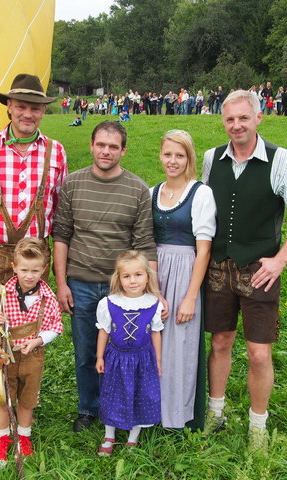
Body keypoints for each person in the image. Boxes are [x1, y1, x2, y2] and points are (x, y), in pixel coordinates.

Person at [201, 90, 287, 455]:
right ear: (223, 121)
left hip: (260, 270)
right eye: (230, 119)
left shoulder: (282, 161)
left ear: (258, 118)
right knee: (219, 343)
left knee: (259, 353)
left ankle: (257, 426)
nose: (236, 125)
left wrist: (280, 260)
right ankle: (215, 412)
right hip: (218, 268)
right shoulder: (210, 159)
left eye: (243, 118)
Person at [0, 73, 68, 430]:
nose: (28, 114)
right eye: (21, 106)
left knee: (27, 328)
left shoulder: (56, 151)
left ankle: (25, 393)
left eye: (35, 107)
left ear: (42, 112)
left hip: (35, 258)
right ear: (9, 108)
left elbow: (62, 208)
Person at [52, 120, 164, 433]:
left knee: (127, 352)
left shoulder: (137, 189)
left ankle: (123, 407)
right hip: (82, 284)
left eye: (113, 146)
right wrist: (61, 283)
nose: (106, 151)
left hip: (124, 290)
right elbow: (61, 234)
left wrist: (153, 291)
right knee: (88, 351)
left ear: (123, 151)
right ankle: (89, 408)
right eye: (101, 144)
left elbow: (144, 243)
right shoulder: (73, 184)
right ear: (91, 145)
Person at [0, 238, 63, 469]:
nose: (29, 275)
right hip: (5, 357)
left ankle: (23, 438)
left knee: (27, 400)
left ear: (44, 269)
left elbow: (56, 326)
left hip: (32, 356)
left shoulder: (48, 298)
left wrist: (37, 340)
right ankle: (2, 440)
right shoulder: (2, 294)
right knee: (4, 400)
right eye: (24, 270)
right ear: (15, 268)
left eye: (35, 270)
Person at [151, 130, 216, 430]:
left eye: (180, 155)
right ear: (161, 155)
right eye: (168, 154)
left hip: (185, 270)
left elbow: (203, 251)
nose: (173, 161)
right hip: (155, 273)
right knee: (153, 341)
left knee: (181, 342)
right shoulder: (153, 192)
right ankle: (151, 410)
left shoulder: (200, 193)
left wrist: (191, 296)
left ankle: (178, 414)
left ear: (189, 158)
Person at [95, 250, 164, 455]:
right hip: (116, 358)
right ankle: (109, 436)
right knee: (111, 394)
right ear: (119, 278)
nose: (133, 281)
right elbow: (104, 331)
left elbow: (156, 333)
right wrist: (100, 357)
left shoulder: (153, 303)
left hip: (143, 359)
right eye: (127, 276)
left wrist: (158, 360)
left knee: (140, 394)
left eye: (138, 275)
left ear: (147, 276)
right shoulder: (109, 303)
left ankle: (133, 438)